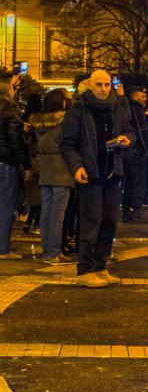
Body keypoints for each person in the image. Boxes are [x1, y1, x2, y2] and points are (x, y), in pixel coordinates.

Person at [59, 69, 134, 286]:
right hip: (91, 174)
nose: (103, 89)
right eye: (99, 85)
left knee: (109, 222)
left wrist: (127, 139)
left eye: (107, 84)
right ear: (91, 85)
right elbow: (67, 143)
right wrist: (77, 166)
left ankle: (100, 266)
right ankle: (84, 270)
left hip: (112, 172)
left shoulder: (118, 107)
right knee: (91, 221)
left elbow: (129, 130)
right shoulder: (79, 109)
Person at [29, 88, 74, 263]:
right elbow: (68, 144)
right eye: (67, 98)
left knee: (47, 212)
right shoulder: (65, 122)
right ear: (61, 101)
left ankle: (47, 249)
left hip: (45, 169)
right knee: (57, 214)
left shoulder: (40, 124)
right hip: (61, 169)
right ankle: (54, 252)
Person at [0, 70, 31, 260]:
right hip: (5, 164)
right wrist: (26, 165)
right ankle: (2, 248)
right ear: (8, 92)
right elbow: (15, 141)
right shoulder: (9, 111)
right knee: (5, 206)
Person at [121, 80, 148, 222]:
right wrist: (147, 150)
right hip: (136, 152)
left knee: (129, 183)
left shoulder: (128, 108)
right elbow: (141, 132)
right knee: (137, 182)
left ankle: (127, 212)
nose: (145, 99)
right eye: (143, 96)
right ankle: (135, 212)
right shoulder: (136, 110)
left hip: (130, 152)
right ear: (135, 96)